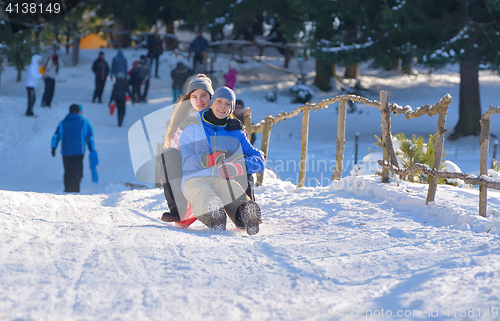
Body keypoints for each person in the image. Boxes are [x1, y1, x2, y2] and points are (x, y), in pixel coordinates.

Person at [178, 87, 265, 234]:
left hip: (222, 176)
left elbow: (259, 159)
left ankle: (246, 215)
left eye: (228, 104)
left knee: (233, 191)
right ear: (211, 103)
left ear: (231, 109)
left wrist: (238, 167)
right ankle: (214, 215)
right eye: (219, 101)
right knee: (203, 194)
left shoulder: (235, 131)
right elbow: (185, 162)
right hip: (193, 177)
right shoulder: (193, 126)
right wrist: (207, 160)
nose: (222, 106)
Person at [160, 74, 215, 223]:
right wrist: (181, 130)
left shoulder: (220, 112)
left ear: (211, 96)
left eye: (203, 95)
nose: (199, 101)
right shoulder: (182, 117)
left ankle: (244, 209)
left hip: (215, 165)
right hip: (190, 167)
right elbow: (173, 149)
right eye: (194, 96)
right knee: (168, 154)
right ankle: (178, 209)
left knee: (244, 158)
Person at [51, 104, 95, 193]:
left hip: (66, 151)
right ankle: (76, 189)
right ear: (78, 112)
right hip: (79, 151)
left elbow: (56, 136)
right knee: (77, 169)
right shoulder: (83, 123)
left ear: (69, 111)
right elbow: (89, 137)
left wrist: (53, 147)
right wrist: (91, 149)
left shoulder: (62, 123)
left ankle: (68, 189)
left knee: (67, 170)